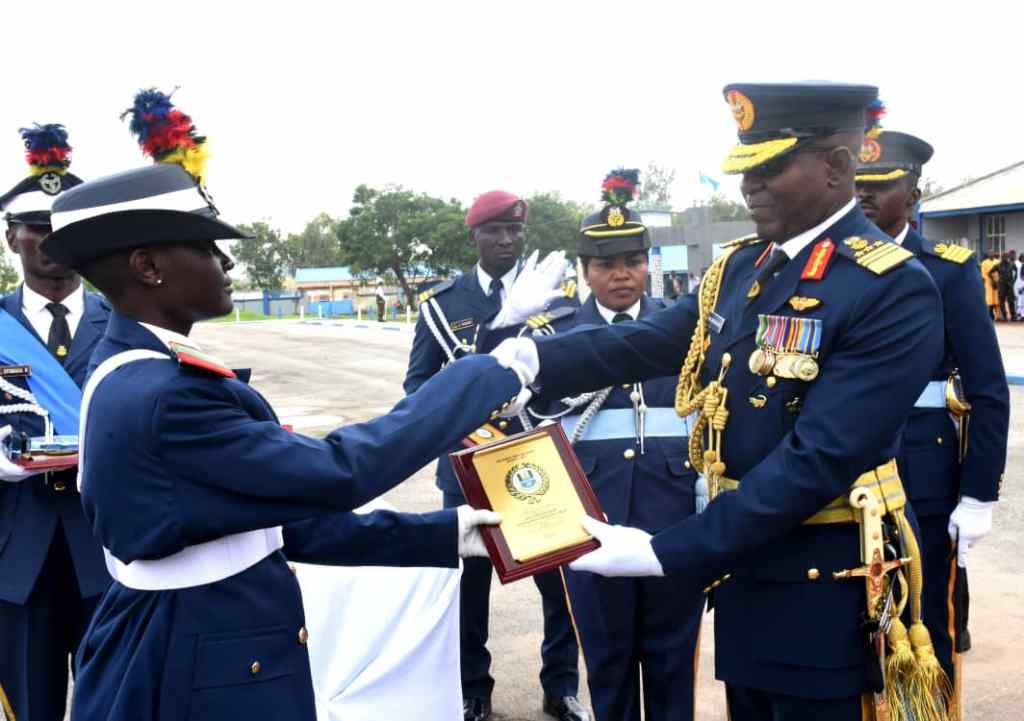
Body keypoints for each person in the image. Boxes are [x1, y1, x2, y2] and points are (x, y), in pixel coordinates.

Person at [41, 89, 537, 721]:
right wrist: (485, 374)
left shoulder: (136, 364)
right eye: (207, 248)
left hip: (189, 633)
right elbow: (340, 472)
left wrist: (442, 531)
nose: (226, 261)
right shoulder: (163, 393)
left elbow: (267, 523)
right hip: (193, 657)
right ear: (148, 266)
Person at [492, 82, 948, 721]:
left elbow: (818, 459)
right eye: (745, 169)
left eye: (770, 168)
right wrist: (533, 360)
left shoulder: (889, 286)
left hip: (825, 576)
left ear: (836, 167)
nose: (749, 186)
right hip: (744, 567)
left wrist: (665, 551)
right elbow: (653, 341)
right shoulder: (742, 268)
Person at [523, 169, 704, 721]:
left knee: (674, 665)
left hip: (673, 522)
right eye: (606, 264)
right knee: (607, 664)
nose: (621, 275)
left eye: (632, 261)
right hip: (590, 523)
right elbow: (522, 424)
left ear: (649, 265)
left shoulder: (687, 332)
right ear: (585, 271)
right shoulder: (553, 337)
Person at [405, 191, 586, 721]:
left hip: (534, 460)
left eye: (515, 231)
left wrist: (541, 400)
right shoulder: (443, 305)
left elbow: (573, 371)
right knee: (469, 588)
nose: (507, 241)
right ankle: (473, 691)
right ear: (475, 236)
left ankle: (561, 687)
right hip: (467, 464)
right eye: (495, 231)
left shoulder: (551, 296)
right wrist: (457, 421)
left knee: (559, 583)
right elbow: (417, 384)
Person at [856, 130, 1009, 709]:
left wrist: (978, 494)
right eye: (857, 185)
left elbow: (988, 390)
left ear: (914, 194)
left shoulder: (949, 271)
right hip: (843, 475)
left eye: (881, 186)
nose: (866, 197)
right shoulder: (830, 265)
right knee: (853, 631)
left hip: (925, 476)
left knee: (925, 629)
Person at [0, 124, 111, 721]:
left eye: (66, 228)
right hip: (19, 558)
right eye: (37, 227)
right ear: (11, 237)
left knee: (114, 705)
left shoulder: (127, 321)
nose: (51, 240)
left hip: (112, 550)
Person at [997, 250, 1017, 321]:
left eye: (1006, 256)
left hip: (1009, 285)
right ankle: (1004, 316)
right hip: (1002, 286)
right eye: (1003, 257)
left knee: (1011, 301)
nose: (1004, 258)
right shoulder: (998, 265)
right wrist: (995, 281)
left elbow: (1016, 272)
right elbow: (990, 272)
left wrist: (1013, 280)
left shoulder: (1011, 264)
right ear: (1001, 257)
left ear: (1007, 257)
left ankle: (1013, 316)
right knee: (1001, 301)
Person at [980, 251, 1000, 320]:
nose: (991, 255)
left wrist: (997, 281)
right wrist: (991, 280)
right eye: (990, 254)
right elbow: (983, 274)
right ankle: (990, 315)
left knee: (997, 300)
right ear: (988, 255)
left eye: (992, 253)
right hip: (988, 283)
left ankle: (998, 316)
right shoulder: (984, 263)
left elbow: (1000, 272)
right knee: (990, 299)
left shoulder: (998, 262)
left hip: (997, 282)